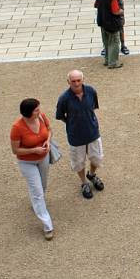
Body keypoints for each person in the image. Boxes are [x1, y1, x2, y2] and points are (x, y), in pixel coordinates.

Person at [56, 70, 105, 199]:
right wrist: (72, 123)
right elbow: (60, 116)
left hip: (93, 132)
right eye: (73, 81)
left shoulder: (91, 91)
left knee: (97, 157)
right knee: (78, 162)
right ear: (68, 82)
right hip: (76, 136)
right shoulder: (64, 99)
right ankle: (84, 183)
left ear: (83, 79)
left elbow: (93, 107)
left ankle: (92, 175)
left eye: (79, 80)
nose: (76, 83)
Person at [10, 98, 54, 239]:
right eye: (36, 110)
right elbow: (15, 150)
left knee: (43, 185)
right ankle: (48, 226)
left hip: (43, 158)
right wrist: (34, 150)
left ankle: (36, 204)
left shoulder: (41, 117)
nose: (39, 111)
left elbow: (49, 129)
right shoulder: (17, 128)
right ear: (29, 112)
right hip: (27, 163)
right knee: (37, 192)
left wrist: (47, 141)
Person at [95, 0, 125, 69]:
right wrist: (121, 11)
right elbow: (115, 11)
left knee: (106, 42)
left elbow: (96, 5)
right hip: (112, 23)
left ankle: (107, 60)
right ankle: (113, 63)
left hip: (102, 22)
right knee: (114, 42)